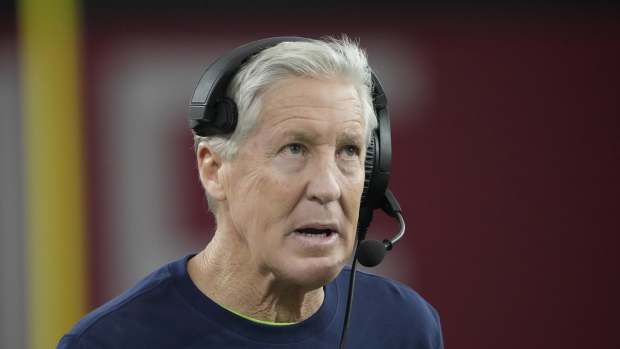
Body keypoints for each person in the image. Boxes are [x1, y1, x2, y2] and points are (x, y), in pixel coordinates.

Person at [58, 36, 443, 348]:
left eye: (349, 151)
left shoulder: (405, 327)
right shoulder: (110, 342)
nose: (327, 187)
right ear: (214, 168)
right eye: (294, 149)